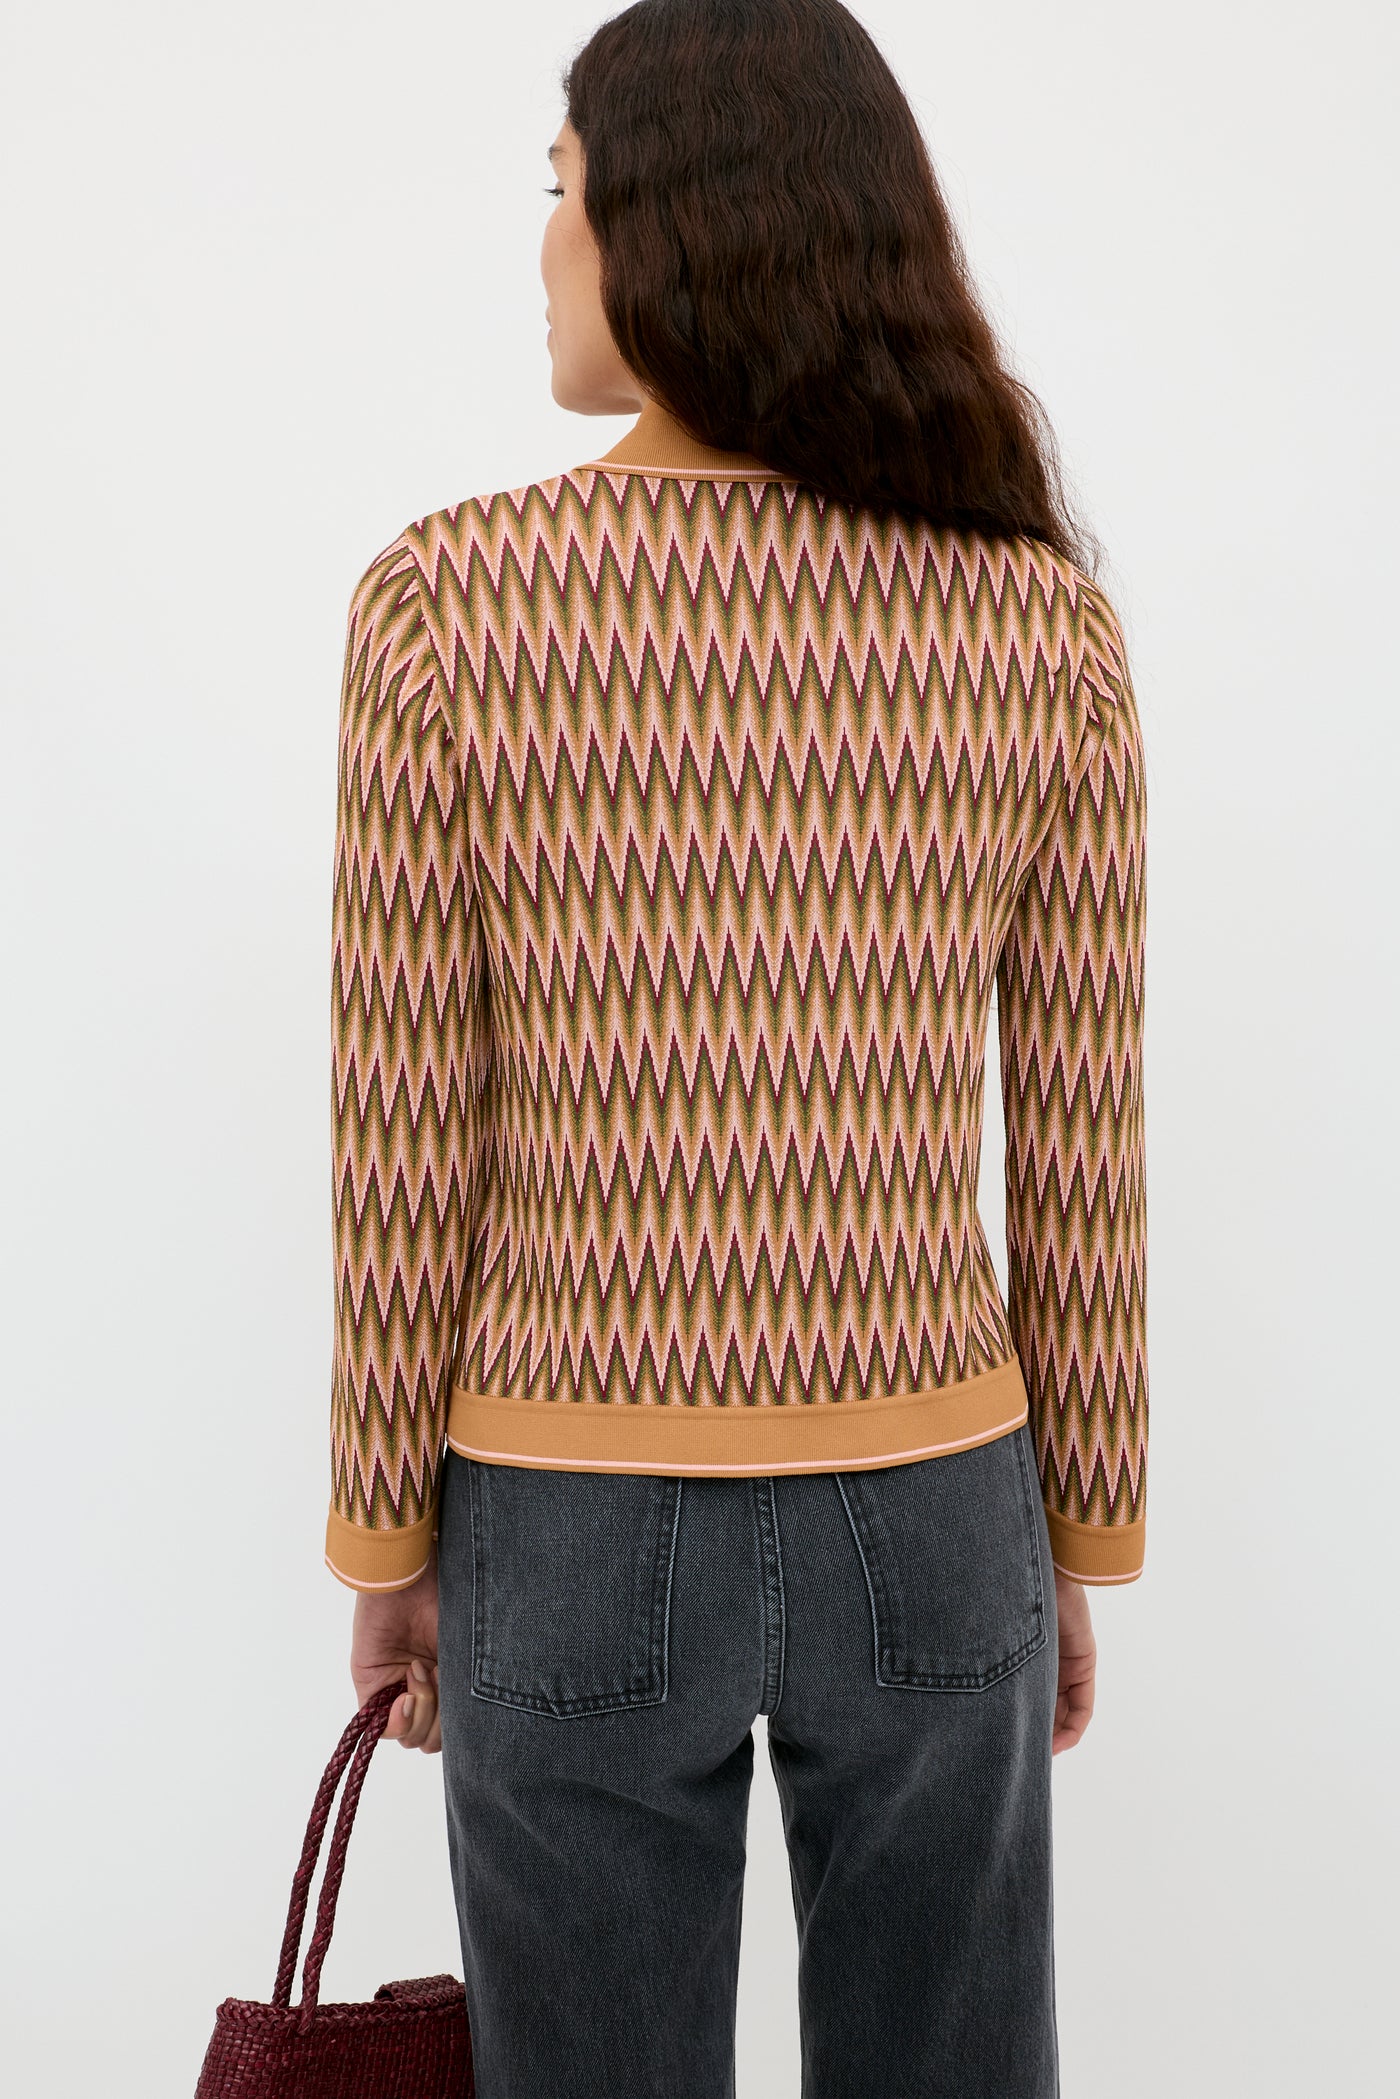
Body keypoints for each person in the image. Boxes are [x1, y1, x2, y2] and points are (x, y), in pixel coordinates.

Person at [324, 2, 1148, 2092]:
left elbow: (404, 1128)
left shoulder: (445, 609)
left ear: (673, 228)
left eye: (563, 193)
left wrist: (385, 1540)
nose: (543, 246)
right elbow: (1080, 1128)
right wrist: (1079, 1532)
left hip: (561, 1509)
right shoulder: (1036, 626)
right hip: (933, 1497)